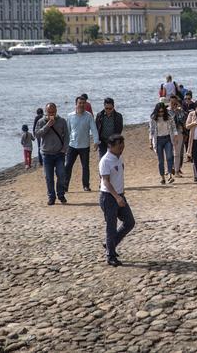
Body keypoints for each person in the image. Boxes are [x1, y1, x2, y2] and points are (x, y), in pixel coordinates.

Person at [99, 134, 134, 267]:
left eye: (123, 145)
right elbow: (106, 182)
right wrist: (117, 197)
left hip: (119, 195)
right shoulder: (105, 161)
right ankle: (110, 256)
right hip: (109, 197)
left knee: (130, 222)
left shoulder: (119, 157)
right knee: (111, 227)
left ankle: (110, 244)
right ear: (111, 146)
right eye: (119, 146)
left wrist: (121, 193)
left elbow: (119, 175)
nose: (122, 148)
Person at [35, 103, 69, 205]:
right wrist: (47, 126)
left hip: (59, 153)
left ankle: (61, 194)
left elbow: (67, 136)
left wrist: (64, 149)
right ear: (46, 111)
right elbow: (37, 134)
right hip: (46, 154)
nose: (51, 114)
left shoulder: (62, 121)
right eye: (49, 112)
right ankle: (51, 197)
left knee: (61, 175)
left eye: (53, 112)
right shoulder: (41, 122)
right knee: (49, 177)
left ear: (56, 111)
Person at [65, 95, 100, 192]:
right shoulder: (70, 116)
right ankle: (65, 186)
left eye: (83, 103)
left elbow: (94, 129)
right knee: (68, 165)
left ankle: (86, 185)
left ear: (86, 104)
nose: (81, 105)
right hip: (72, 145)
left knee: (85, 166)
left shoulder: (88, 116)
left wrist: (96, 141)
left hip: (84, 145)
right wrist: (65, 145)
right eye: (80, 103)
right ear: (76, 104)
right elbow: (68, 131)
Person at [148, 102, 178, 185]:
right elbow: (151, 130)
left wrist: (175, 136)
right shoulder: (153, 118)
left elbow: (173, 127)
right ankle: (162, 177)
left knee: (169, 157)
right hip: (158, 140)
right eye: (159, 112)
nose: (161, 113)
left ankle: (170, 175)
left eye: (162, 111)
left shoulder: (169, 117)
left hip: (168, 138)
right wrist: (150, 142)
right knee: (160, 160)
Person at [168, 95, 188, 177]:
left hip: (179, 132)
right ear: (169, 102)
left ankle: (176, 171)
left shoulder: (180, 111)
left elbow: (184, 121)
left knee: (177, 153)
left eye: (175, 103)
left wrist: (178, 112)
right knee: (169, 152)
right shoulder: (167, 111)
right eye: (172, 103)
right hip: (169, 133)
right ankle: (169, 169)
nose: (173, 105)